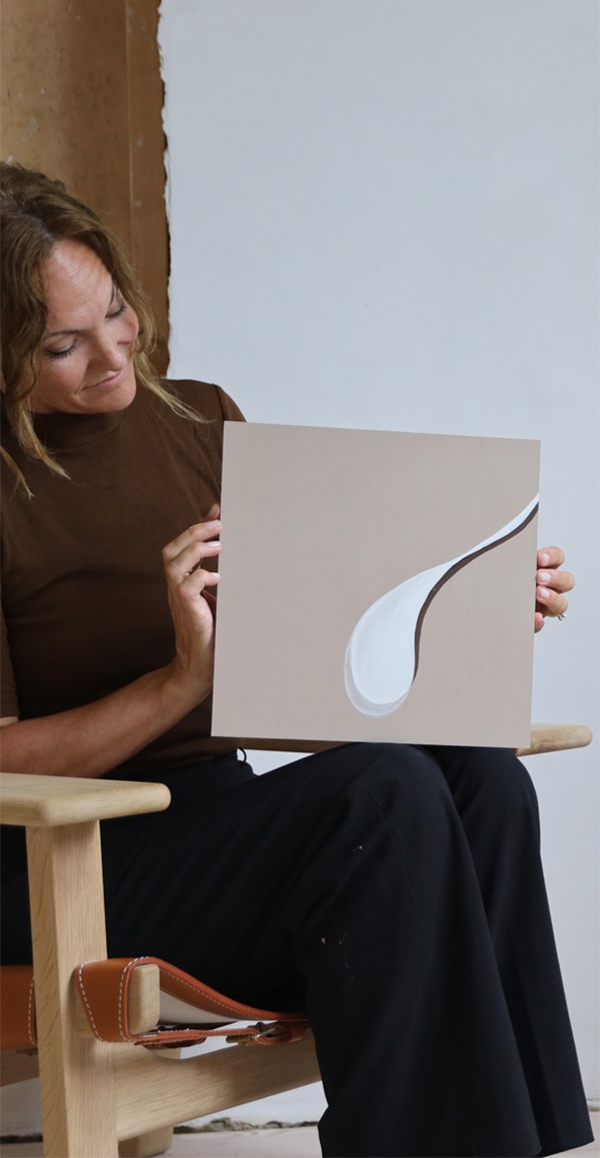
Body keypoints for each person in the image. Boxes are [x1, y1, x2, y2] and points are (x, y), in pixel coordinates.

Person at [0, 162, 592, 1158]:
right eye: (62, 344)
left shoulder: (198, 417)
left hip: (219, 831)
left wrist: (468, 626)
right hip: (63, 856)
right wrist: (178, 683)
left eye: (115, 311)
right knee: (383, 795)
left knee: (477, 777)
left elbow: (304, 666)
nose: (111, 354)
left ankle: (517, 1146)